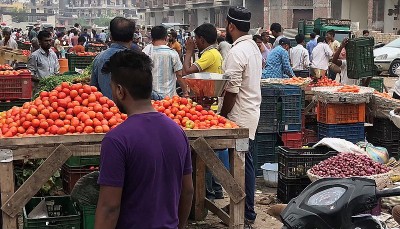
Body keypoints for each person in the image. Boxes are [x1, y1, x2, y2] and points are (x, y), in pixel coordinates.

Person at [94, 50, 193, 229]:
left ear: (119, 91)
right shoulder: (177, 132)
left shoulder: (116, 140)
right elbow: (187, 191)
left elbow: (109, 207)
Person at [220, 6, 262, 226]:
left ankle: (247, 212)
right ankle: (241, 205)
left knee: (243, 166)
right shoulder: (253, 47)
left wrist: (222, 115)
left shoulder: (237, 52)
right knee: (243, 165)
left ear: (231, 26)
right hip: (250, 113)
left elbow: (232, 90)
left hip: (240, 118)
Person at [91, 17, 135, 99]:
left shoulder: (99, 58)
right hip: (132, 111)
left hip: (106, 110)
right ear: (132, 37)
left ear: (110, 36)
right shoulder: (137, 60)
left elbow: (93, 90)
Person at [142, 26, 188, 98]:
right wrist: (185, 92)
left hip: (150, 97)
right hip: (168, 99)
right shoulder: (172, 53)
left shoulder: (145, 52)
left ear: (152, 37)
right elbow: (179, 75)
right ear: (166, 37)